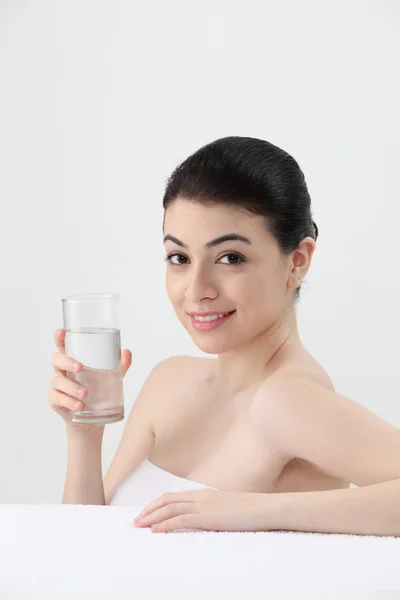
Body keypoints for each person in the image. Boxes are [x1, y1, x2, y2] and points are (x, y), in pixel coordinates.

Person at [49, 136, 400, 535]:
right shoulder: (169, 381)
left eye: (229, 258)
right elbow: (85, 540)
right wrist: (84, 433)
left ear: (297, 262)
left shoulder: (289, 402)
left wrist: (258, 512)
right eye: (179, 258)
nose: (197, 289)